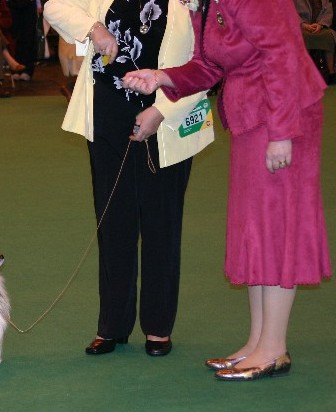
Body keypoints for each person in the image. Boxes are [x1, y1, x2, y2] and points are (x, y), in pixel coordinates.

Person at [123, 0, 332, 379]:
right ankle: (258, 342)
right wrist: (161, 78)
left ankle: (274, 348)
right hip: (251, 117)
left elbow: (283, 54)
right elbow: (211, 65)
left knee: (275, 229)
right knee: (255, 230)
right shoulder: (209, 2)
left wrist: (282, 133)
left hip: (282, 116)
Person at [45, 0, 214, 356]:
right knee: (113, 226)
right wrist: (95, 29)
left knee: (162, 227)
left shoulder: (192, 3)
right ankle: (112, 326)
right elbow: (54, 6)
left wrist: (161, 112)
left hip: (164, 122)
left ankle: (158, 327)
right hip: (107, 122)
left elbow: (206, 65)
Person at [294, 0, 336, 83]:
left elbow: (328, 11)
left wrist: (320, 24)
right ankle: (304, 73)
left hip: (320, 27)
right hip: (301, 27)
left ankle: (331, 73)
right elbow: (291, 13)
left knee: (328, 36)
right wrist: (303, 24)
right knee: (304, 38)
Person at [7, 0, 42, 81]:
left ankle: (27, 70)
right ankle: (15, 68)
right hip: (12, 4)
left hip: (29, 4)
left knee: (29, 36)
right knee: (14, 37)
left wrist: (38, 4)